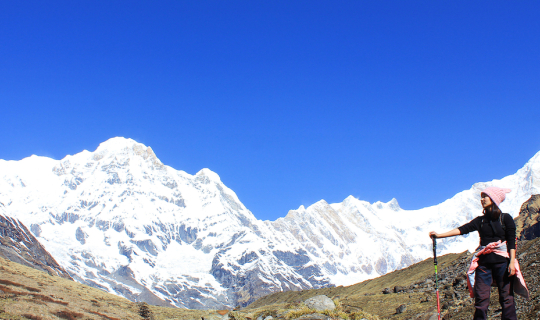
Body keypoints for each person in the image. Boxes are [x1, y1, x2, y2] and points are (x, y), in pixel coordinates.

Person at [429, 186, 519, 320]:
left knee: (507, 299)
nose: (482, 199)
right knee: (481, 301)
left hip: (503, 263)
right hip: (484, 266)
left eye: (485, 196)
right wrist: (439, 235)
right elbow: (463, 229)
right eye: (481, 197)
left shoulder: (505, 219)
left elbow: (511, 241)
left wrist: (512, 262)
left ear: (493, 198)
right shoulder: (480, 220)